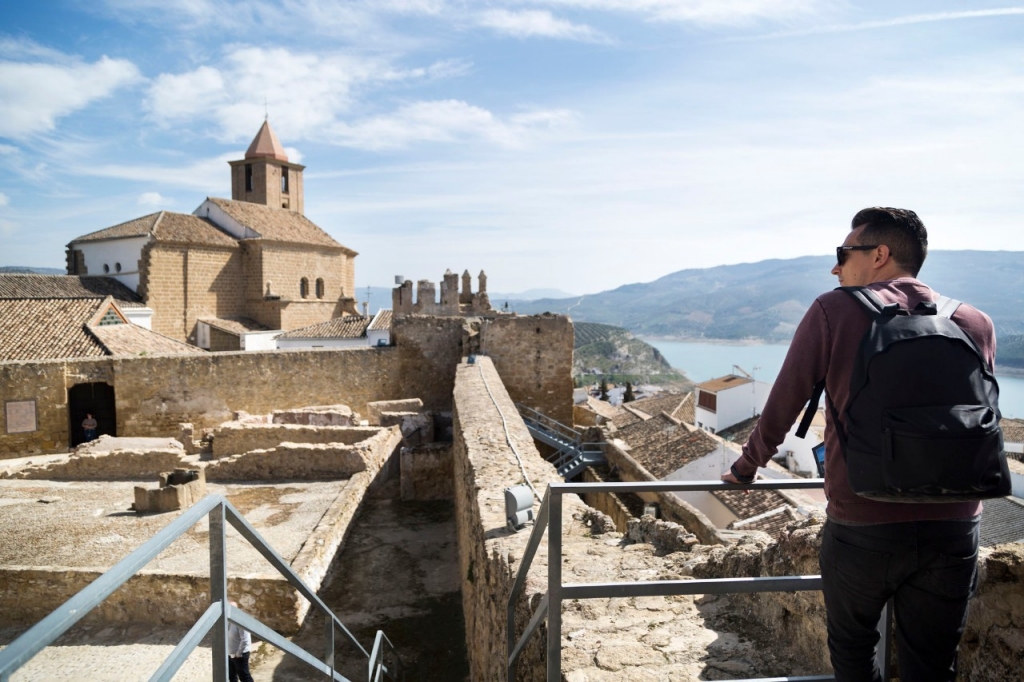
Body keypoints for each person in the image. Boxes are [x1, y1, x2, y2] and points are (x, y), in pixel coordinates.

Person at [722, 207, 993, 682]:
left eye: (844, 254)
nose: (835, 267)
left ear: (880, 255)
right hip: (954, 524)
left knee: (852, 650)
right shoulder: (974, 321)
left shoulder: (834, 310)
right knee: (933, 665)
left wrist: (745, 468)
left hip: (863, 521)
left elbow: (783, 404)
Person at [227, 601, 254, 682]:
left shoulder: (240, 621)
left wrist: (238, 654)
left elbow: (245, 640)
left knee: (244, 677)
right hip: (229, 654)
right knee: (231, 677)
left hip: (240, 655)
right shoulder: (227, 621)